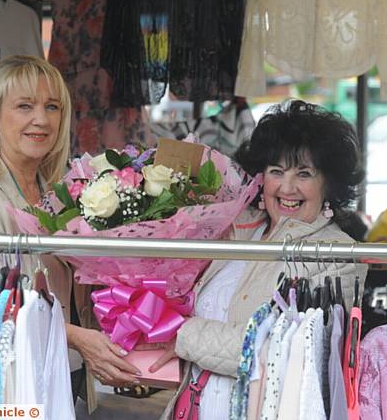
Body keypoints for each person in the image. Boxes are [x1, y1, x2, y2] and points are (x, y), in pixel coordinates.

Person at [0, 55, 141, 407]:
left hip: (62, 375)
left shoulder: (58, 190)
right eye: (24, 106)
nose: (41, 119)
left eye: (52, 107)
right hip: (5, 382)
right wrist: (75, 337)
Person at [151, 100, 369, 420]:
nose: (287, 187)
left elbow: (279, 351)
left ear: (329, 183)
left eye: (304, 173)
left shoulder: (339, 256)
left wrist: (182, 335)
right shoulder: (236, 229)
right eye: (276, 171)